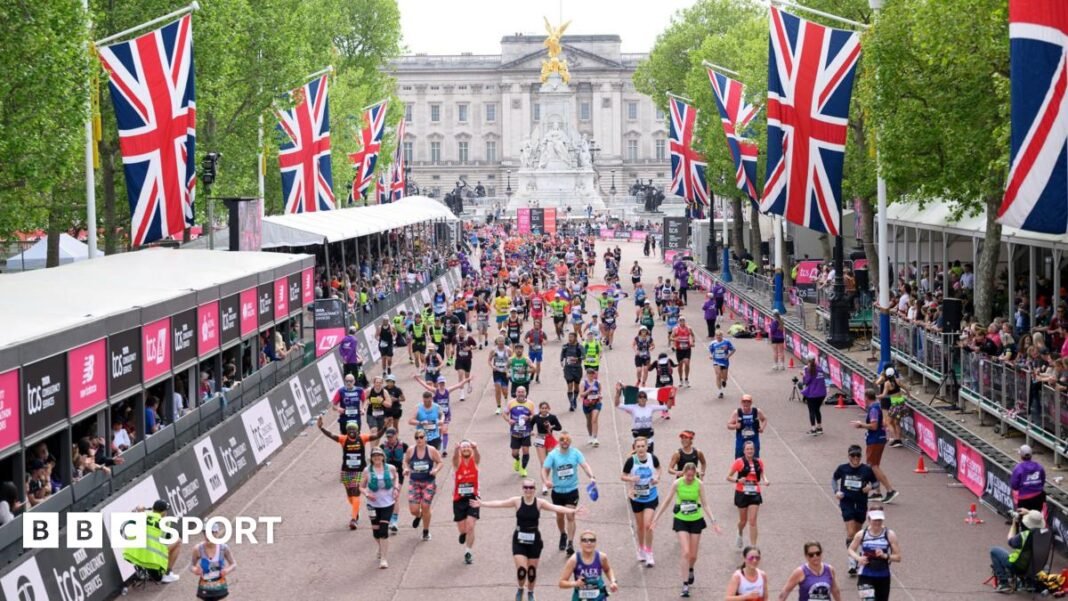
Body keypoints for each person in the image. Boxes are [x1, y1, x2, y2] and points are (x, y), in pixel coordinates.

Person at [476, 480, 585, 601]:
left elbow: (556, 507)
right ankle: (520, 588)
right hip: (519, 539)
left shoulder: (539, 503)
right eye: (526, 487)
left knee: (531, 572)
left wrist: (572, 511)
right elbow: (500, 503)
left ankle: (531, 592)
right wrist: (482, 504)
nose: (528, 490)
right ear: (522, 488)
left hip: (534, 540)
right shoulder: (517, 501)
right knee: (522, 570)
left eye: (531, 487)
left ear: (534, 488)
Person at [650, 462, 713, 597]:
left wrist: (713, 521)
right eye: (687, 476)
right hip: (681, 520)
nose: (690, 478)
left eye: (692, 476)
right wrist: (655, 519)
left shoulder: (699, 484)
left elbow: (705, 504)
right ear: (683, 473)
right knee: (685, 552)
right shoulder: (677, 483)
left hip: (696, 520)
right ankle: (685, 585)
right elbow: (667, 501)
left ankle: (691, 568)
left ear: (695, 474)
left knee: (693, 555)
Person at [317, 414, 384, 529]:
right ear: (347, 431)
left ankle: (353, 519)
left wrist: (385, 427)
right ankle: (355, 511)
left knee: (356, 492)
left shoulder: (362, 438)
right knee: (350, 496)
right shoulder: (343, 439)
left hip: (359, 471)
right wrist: (321, 428)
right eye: (349, 429)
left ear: (357, 430)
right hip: (346, 471)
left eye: (353, 429)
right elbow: (331, 435)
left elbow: (376, 435)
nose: (351, 431)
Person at [542, 431, 596, 555]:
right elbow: (544, 469)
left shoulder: (576, 453)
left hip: (572, 490)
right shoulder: (553, 455)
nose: (564, 442)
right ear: (559, 441)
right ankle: (563, 534)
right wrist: (546, 481)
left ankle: (570, 543)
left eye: (567, 440)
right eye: (562, 440)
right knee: (560, 516)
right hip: (557, 492)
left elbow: (585, 465)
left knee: (570, 516)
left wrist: (591, 476)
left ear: (570, 441)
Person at [832, 445, 878, 577]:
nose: (856, 458)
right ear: (849, 456)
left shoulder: (866, 470)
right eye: (853, 456)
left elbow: (876, 484)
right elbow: (834, 479)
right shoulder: (842, 468)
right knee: (851, 531)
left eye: (858, 455)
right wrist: (837, 491)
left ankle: (856, 554)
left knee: (857, 533)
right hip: (847, 502)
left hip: (861, 503)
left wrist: (869, 487)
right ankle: (852, 562)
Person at [850, 389, 898, 504]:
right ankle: (877, 492)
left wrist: (861, 425)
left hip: (875, 440)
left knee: (873, 466)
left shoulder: (873, 409)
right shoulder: (877, 407)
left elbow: (874, 426)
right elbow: (882, 423)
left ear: (866, 397)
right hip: (877, 439)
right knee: (872, 466)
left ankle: (890, 490)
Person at [622, 437, 661, 565]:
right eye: (637, 446)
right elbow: (622, 476)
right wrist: (631, 478)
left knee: (648, 525)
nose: (640, 449)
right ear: (635, 448)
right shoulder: (631, 461)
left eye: (642, 446)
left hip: (651, 496)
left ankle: (649, 552)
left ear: (647, 447)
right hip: (637, 497)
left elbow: (659, 468)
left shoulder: (652, 458)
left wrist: (656, 477)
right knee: (640, 527)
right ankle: (641, 548)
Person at [847, 509, 902, 601]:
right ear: (869, 520)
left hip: (883, 575)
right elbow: (850, 549)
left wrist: (885, 555)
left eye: (879, 520)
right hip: (865, 574)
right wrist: (859, 558)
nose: (877, 523)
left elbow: (898, 557)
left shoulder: (889, 534)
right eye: (875, 520)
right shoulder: (862, 534)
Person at [360, 447, 401, 568]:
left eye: (379, 455)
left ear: (383, 457)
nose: (377, 458)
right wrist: (367, 493)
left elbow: (396, 477)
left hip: (387, 503)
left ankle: (384, 558)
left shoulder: (391, 468)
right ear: (371, 458)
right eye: (374, 456)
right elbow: (361, 487)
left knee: (383, 530)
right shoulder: (367, 470)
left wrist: (396, 489)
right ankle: (382, 546)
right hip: (372, 504)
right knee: (376, 533)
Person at [124, 500, 182, 583]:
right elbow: (167, 541)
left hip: (132, 555)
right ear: (163, 512)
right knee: (178, 540)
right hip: (152, 559)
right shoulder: (165, 523)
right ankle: (167, 574)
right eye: (166, 511)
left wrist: (138, 511)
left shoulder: (142, 515)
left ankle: (142, 568)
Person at [412, 374, 470, 457]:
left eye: (443, 383)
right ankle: (438, 443)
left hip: (446, 414)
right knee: (438, 431)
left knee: (445, 430)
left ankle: (444, 449)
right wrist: (417, 379)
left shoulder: (447, 390)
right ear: (438, 384)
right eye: (440, 383)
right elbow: (426, 386)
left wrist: (467, 379)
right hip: (437, 415)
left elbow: (458, 385)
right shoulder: (435, 391)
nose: (442, 385)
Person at [990, 509, 1046, 593]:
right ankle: (1028, 582)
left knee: (994, 550)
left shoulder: (1024, 535)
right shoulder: (1044, 535)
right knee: (1031, 556)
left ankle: (1004, 583)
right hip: (1036, 567)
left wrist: (1013, 524)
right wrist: (1029, 513)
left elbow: (1010, 541)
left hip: (1018, 567)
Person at [403, 426, 444, 541]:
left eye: (421, 437)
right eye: (417, 438)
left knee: (426, 507)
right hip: (414, 482)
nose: (419, 440)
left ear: (425, 438)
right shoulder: (411, 450)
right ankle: (419, 515)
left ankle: (426, 531)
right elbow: (406, 461)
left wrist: (436, 470)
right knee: (413, 510)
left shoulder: (431, 450)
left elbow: (440, 462)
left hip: (428, 482)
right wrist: (406, 469)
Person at [728, 440, 769, 548]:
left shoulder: (758, 462)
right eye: (747, 449)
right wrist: (738, 481)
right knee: (743, 521)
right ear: (744, 451)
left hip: (755, 492)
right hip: (742, 492)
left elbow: (762, 473)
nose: (750, 451)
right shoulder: (739, 462)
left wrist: (765, 480)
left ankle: (753, 547)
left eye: (751, 449)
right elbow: (728, 477)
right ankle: (740, 532)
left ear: (754, 450)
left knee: (752, 521)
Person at [559, 530, 619, 600]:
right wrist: (575, 583)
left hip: (599, 597)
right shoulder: (574, 560)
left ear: (596, 543)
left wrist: (613, 581)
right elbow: (562, 583)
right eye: (585, 540)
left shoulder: (602, 557)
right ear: (580, 543)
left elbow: (607, 569)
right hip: (580, 598)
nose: (589, 543)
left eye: (592, 540)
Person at [613, 382, 668, 454]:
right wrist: (618, 392)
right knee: (637, 459)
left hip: (649, 438)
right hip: (637, 439)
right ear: (637, 399)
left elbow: (667, 406)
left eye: (644, 397)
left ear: (646, 399)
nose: (642, 399)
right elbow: (617, 404)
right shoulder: (633, 408)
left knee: (650, 457)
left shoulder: (651, 408)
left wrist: (670, 395)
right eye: (640, 397)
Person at [776, 541, 842, 601]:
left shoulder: (829, 569)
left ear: (821, 554)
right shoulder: (800, 572)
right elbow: (784, 593)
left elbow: (835, 590)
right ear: (806, 556)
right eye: (811, 555)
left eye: (818, 553)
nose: (815, 556)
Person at [190, 522, 237, 599]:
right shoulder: (198, 549)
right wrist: (195, 569)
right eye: (205, 533)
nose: (208, 536)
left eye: (211, 533)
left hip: (220, 588)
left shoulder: (223, 548)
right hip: (204, 589)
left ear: (217, 533)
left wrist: (227, 570)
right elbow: (191, 565)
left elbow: (234, 564)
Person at [453, 440, 481, 564]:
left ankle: (468, 551)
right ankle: (463, 533)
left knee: (470, 526)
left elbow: (478, 457)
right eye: (463, 447)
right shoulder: (457, 462)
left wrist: (475, 448)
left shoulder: (474, 461)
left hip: (472, 498)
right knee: (463, 529)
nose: (465, 449)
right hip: (458, 500)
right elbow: (454, 459)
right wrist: (456, 449)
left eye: (467, 447)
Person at [381, 427, 409, 533]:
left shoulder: (403, 446)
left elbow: (410, 456)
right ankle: (387, 518)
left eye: (391, 437)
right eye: (388, 437)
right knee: (387, 497)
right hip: (386, 474)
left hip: (399, 473)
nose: (389, 439)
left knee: (395, 495)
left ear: (396, 435)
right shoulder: (383, 447)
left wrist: (407, 467)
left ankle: (394, 522)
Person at [505, 386, 537, 477]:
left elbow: (535, 415)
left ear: (526, 393)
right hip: (515, 433)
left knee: (525, 451)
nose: (521, 393)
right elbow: (504, 414)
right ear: (516, 393)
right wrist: (508, 420)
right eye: (519, 392)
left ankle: (523, 468)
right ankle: (517, 460)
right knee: (514, 453)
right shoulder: (511, 403)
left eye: (522, 392)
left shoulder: (530, 404)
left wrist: (529, 417)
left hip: (526, 432)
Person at [532, 402, 563, 494]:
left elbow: (559, 427)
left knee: (549, 463)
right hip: (540, 438)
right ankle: (544, 484)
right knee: (543, 463)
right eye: (542, 408)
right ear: (540, 409)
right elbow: (529, 425)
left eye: (546, 408)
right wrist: (532, 432)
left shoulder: (552, 417)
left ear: (549, 409)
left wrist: (551, 426)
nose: (544, 410)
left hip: (549, 438)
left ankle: (548, 481)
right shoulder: (536, 417)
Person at [874, 367, 908, 447]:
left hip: (895, 404)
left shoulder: (887, 383)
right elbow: (905, 388)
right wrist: (909, 395)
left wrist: (876, 396)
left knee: (888, 422)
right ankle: (899, 439)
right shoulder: (897, 380)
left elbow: (883, 395)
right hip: (901, 403)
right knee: (897, 422)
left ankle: (896, 439)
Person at [1011, 444, 1047, 512]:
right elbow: (1042, 481)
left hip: (1024, 499)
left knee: (1024, 520)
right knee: (1036, 518)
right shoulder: (1039, 466)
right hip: (1038, 497)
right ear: (1031, 455)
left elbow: (1014, 485)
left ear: (1021, 456)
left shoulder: (1018, 468)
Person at [799, 354, 827, 435]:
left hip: (812, 394)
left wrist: (803, 375)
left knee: (811, 411)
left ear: (808, 361)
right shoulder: (820, 368)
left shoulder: (808, 370)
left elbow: (806, 382)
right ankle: (819, 427)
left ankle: (813, 429)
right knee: (817, 410)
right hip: (822, 393)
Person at [709, 329, 737, 398]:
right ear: (715, 336)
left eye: (720, 335)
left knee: (724, 377)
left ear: (722, 336)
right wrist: (711, 355)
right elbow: (711, 352)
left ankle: (723, 381)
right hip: (716, 361)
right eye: (717, 335)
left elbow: (733, 349)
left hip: (724, 361)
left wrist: (728, 356)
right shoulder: (712, 343)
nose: (718, 337)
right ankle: (720, 392)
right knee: (718, 375)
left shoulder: (727, 342)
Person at [579, 368, 604, 446]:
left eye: (592, 374)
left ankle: (595, 438)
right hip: (587, 404)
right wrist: (588, 390)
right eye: (589, 374)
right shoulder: (583, 383)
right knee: (589, 421)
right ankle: (590, 436)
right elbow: (581, 394)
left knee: (594, 420)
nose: (591, 376)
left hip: (596, 403)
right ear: (587, 375)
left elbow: (600, 392)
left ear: (594, 375)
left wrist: (600, 396)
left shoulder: (597, 382)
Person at [561, 332, 584, 411]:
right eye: (569, 337)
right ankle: (571, 403)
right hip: (568, 369)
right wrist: (561, 361)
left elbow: (584, 356)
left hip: (577, 369)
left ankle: (574, 399)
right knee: (570, 386)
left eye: (571, 337)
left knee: (576, 386)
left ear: (575, 338)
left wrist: (577, 359)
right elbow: (562, 355)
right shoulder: (565, 346)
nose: (570, 338)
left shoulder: (579, 347)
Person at [670, 316, 696, 388]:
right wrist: (675, 339)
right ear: (678, 322)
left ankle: (686, 379)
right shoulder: (675, 329)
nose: (682, 322)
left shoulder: (689, 328)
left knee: (687, 363)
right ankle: (681, 379)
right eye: (680, 321)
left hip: (687, 349)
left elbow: (693, 336)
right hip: (679, 349)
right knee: (680, 365)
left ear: (685, 321)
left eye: (683, 320)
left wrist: (692, 342)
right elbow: (671, 338)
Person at [490, 336, 512, 415]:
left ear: (504, 342)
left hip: (505, 372)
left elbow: (512, 360)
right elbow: (489, 360)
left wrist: (508, 369)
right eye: (499, 341)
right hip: (497, 372)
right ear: (497, 342)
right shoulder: (493, 350)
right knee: (497, 388)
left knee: (505, 391)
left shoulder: (508, 350)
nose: (501, 343)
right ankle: (498, 407)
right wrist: (493, 367)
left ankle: (506, 401)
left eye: (502, 341)